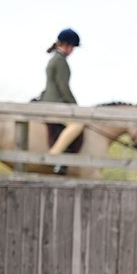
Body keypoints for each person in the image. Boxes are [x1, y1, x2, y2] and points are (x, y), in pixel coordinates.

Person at [40, 28, 82, 173]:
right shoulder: (61, 61)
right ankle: (54, 155)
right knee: (77, 125)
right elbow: (63, 87)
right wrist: (75, 106)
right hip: (55, 103)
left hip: (48, 100)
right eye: (72, 47)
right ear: (67, 45)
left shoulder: (54, 59)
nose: (73, 50)